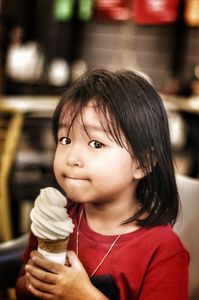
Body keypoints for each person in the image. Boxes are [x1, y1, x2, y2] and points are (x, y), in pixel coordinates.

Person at [15, 69, 189, 300]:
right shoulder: (55, 219)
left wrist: (84, 295)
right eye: (65, 140)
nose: (72, 158)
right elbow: (20, 286)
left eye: (96, 144)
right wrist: (34, 285)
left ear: (143, 162)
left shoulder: (163, 251)